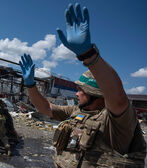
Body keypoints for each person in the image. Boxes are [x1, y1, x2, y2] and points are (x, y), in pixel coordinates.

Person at [19, 3, 146, 168]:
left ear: (96, 94)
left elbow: (118, 99)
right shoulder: (78, 112)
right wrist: (30, 85)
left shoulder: (115, 122)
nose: (77, 94)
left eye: (81, 90)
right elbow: (45, 108)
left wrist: (88, 55)